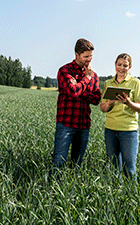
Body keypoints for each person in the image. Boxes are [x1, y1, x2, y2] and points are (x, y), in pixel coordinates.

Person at [51, 38, 101, 176]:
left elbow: (97, 99)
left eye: (90, 56)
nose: (89, 60)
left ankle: (72, 194)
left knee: (77, 164)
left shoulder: (94, 76)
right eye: (86, 56)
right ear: (76, 54)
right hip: (66, 124)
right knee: (58, 162)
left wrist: (80, 89)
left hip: (84, 125)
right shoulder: (65, 70)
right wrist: (86, 80)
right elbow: (73, 92)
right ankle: (53, 191)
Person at [100, 53, 140, 180]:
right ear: (115, 65)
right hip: (110, 130)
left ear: (130, 66)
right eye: (119, 65)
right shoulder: (108, 83)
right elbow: (103, 108)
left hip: (129, 131)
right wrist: (109, 102)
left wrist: (128, 102)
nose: (121, 68)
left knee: (129, 168)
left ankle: (131, 196)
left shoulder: (136, 83)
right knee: (113, 168)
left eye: (125, 65)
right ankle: (116, 196)